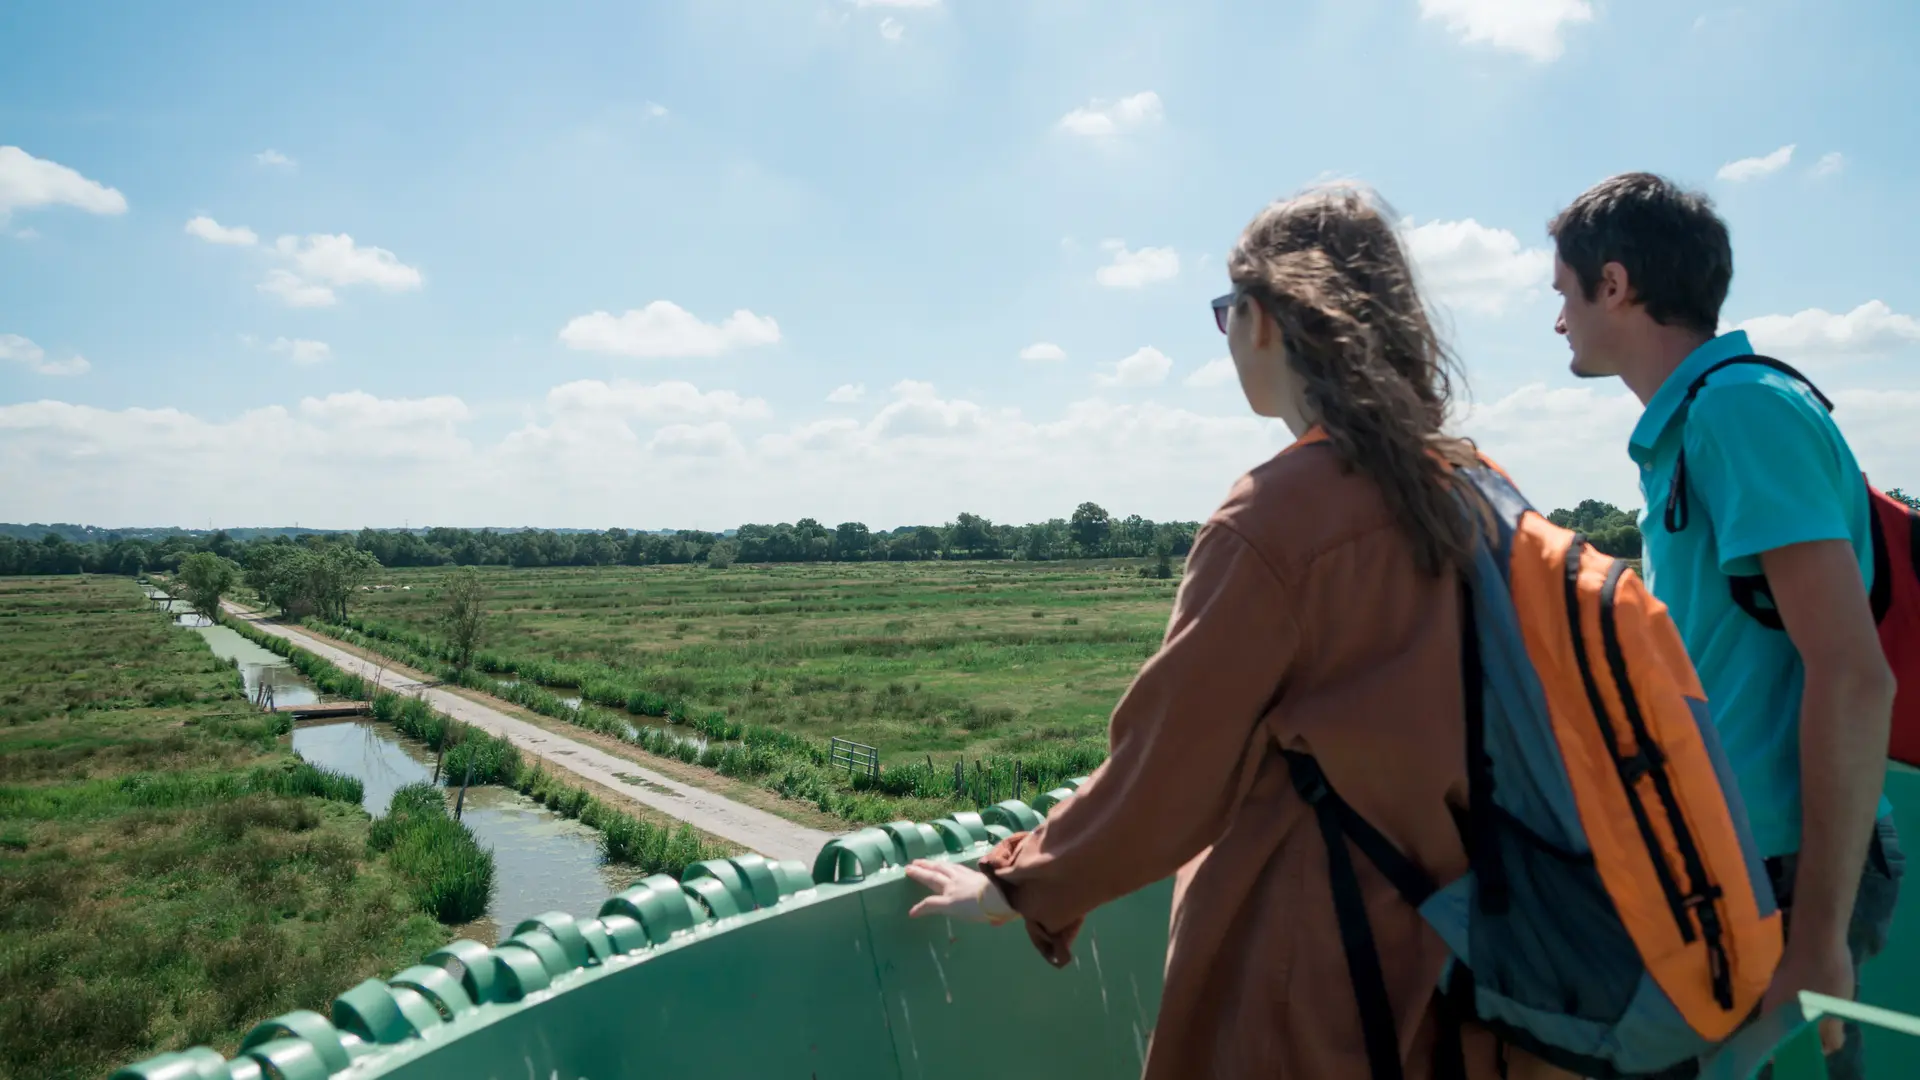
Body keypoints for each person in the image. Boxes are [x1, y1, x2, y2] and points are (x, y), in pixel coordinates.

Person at [905, 184, 1573, 1079]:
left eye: (1227, 311)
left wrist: (1018, 880)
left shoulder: (1278, 517)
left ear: (1265, 322)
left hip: (1320, 977)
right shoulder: (1477, 491)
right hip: (1488, 971)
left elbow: (1168, 768)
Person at [1546, 171, 1904, 1076]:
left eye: (1564, 293)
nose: (1559, 321)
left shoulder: (1738, 412)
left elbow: (1855, 675)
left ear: (1615, 284)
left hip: (1789, 876)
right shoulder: (1698, 424)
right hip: (1734, 867)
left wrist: (1820, 936)